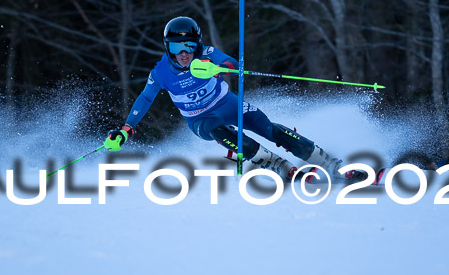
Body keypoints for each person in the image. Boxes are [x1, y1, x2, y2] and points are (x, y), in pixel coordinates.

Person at [103, 16, 363, 180]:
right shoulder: (160, 72)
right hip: (200, 120)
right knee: (223, 132)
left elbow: (227, 61)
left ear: (198, 44)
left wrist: (221, 67)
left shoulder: (206, 53)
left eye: (189, 47)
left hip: (228, 104)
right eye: (176, 48)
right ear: (166, 47)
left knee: (270, 129)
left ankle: (329, 163)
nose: (184, 54)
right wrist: (127, 129)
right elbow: (145, 99)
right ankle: (277, 165)